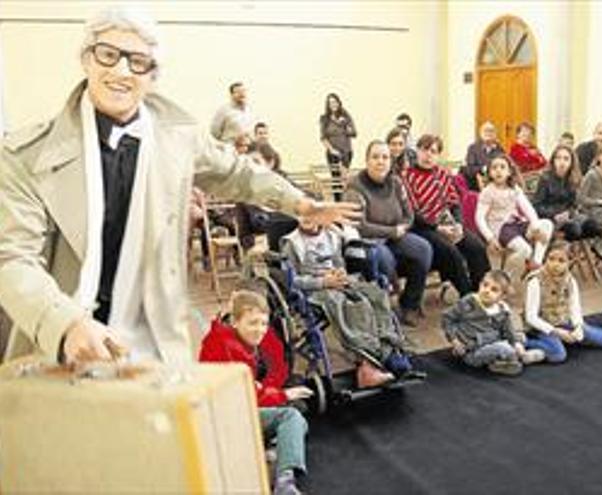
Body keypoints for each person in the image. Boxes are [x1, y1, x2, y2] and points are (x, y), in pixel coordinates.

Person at [0, 7, 359, 364]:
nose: (121, 71)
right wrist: (66, 323)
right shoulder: (27, 157)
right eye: (108, 55)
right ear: (86, 60)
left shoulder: (176, 137)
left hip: (150, 335)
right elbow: (12, 259)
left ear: (152, 75)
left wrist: (300, 203)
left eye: (137, 61)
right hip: (63, 341)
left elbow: (237, 172)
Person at [199, 288, 311, 495]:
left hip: (238, 408)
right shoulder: (221, 345)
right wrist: (283, 395)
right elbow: (240, 396)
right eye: (252, 323)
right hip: (225, 416)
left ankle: (275, 452)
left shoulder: (234, 341)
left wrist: (265, 388)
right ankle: (284, 482)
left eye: (263, 323)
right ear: (235, 322)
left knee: (298, 419)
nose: (260, 329)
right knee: (292, 416)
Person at [281, 218, 416, 388]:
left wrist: (340, 273)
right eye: (302, 215)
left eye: (314, 214)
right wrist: (323, 282)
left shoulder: (331, 235)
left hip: (338, 282)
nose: (307, 219)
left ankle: (389, 349)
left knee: (375, 294)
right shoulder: (291, 243)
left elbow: (339, 262)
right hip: (316, 289)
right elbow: (292, 281)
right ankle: (367, 365)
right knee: (356, 306)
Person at [343, 140, 432, 326]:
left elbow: (409, 214)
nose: (380, 161)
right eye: (375, 157)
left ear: (391, 161)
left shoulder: (396, 182)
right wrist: (392, 231)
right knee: (384, 257)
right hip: (368, 241)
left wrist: (402, 228)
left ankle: (409, 304)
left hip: (395, 236)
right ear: (367, 160)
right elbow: (359, 225)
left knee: (423, 249)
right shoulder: (354, 186)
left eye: (385, 157)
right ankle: (386, 306)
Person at [403, 134, 490, 297]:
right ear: (417, 151)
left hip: (447, 222)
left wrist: (458, 223)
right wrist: (438, 228)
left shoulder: (442, 175)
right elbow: (412, 212)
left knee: (477, 247)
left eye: (433, 151)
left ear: (438, 156)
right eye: (424, 150)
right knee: (451, 252)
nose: (428, 155)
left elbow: (454, 203)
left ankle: (483, 293)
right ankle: (468, 297)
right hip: (422, 227)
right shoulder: (407, 176)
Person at [523, 241, 602, 363]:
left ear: (570, 262)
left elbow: (575, 308)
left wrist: (578, 327)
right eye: (551, 259)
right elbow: (531, 317)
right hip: (541, 327)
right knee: (558, 355)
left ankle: (559, 341)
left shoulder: (570, 280)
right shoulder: (535, 281)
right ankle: (524, 341)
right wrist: (556, 332)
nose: (555, 264)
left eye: (561, 261)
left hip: (562, 321)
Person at [442, 270, 545, 375]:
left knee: (519, 337)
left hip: (494, 340)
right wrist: (454, 340)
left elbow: (508, 330)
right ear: (480, 284)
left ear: (502, 296)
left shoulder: (502, 309)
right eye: (485, 285)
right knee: (504, 348)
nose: (487, 291)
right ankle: (521, 357)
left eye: (494, 290)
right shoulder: (469, 302)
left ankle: (503, 362)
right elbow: (447, 318)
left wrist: (515, 342)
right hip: (473, 351)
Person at [476, 155, 554, 275]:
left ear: (509, 172)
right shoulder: (488, 192)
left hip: (517, 224)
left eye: (502, 167)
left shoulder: (514, 189)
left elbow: (528, 209)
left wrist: (536, 228)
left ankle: (536, 263)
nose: (498, 170)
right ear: (490, 173)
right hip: (501, 229)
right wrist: (490, 238)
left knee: (547, 224)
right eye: (494, 168)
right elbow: (479, 218)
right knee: (525, 250)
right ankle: (504, 276)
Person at [533, 145, 601, 242]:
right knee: (575, 230)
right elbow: (536, 205)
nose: (562, 162)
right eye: (558, 158)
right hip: (551, 217)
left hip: (569, 215)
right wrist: (554, 214)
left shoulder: (573, 178)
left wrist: (569, 213)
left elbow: (574, 204)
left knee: (594, 227)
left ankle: (569, 247)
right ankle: (561, 246)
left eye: (566, 159)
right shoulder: (545, 178)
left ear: (571, 162)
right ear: (553, 161)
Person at [320, 93, 357, 196]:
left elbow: (354, 133)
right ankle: (337, 203)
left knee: (345, 178)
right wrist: (332, 150)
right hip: (332, 153)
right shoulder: (324, 119)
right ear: (327, 105)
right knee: (336, 179)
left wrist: (345, 125)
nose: (333, 104)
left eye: (335, 102)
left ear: (339, 103)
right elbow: (323, 138)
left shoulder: (346, 116)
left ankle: (347, 200)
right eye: (330, 103)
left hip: (346, 152)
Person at [462, 121, 505, 191]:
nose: (488, 133)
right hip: (475, 183)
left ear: (495, 134)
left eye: (491, 131)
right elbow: (470, 168)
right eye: (486, 131)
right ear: (480, 133)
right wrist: (482, 170)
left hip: (495, 182)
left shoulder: (500, 150)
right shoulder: (473, 148)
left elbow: (503, 167)